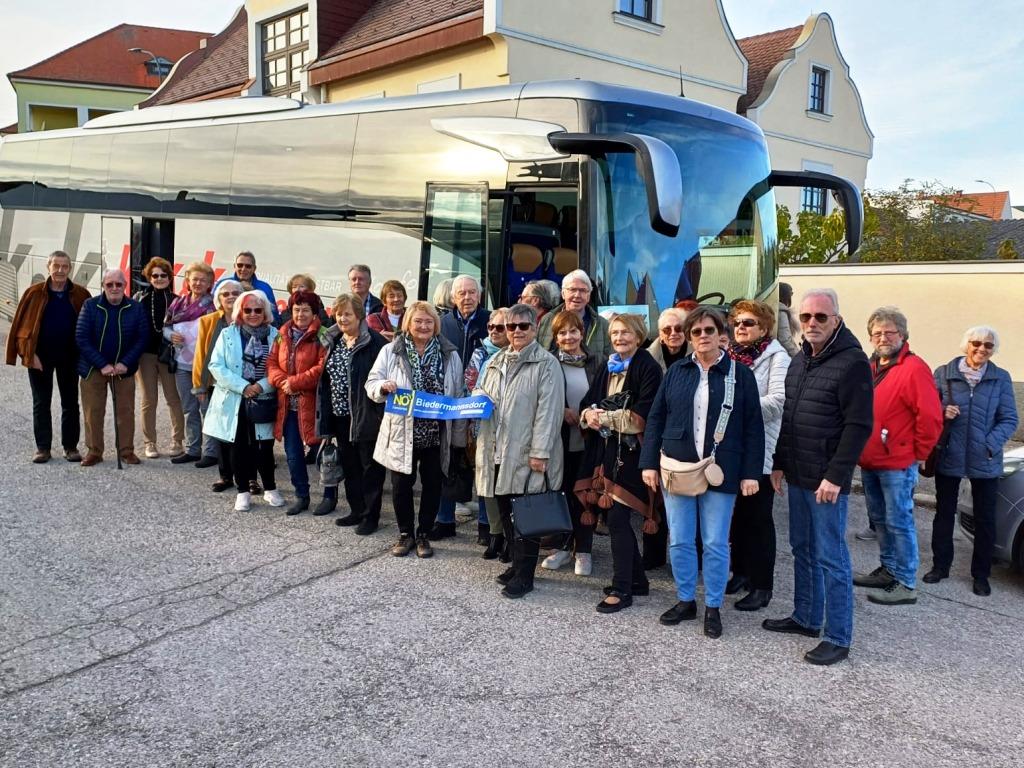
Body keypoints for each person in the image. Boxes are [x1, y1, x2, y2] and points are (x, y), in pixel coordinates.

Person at [763, 288, 873, 666]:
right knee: (802, 549)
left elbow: (859, 426)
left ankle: (838, 637)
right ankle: (806, 618)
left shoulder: (853, 362)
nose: (812, 323)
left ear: (836, 319)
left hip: (827, 482)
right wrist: (779, 462)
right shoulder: (801, 359)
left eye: (821, 317)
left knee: (831, 557)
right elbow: (790, 417)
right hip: (798, 474)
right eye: (806, 316)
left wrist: (836, 477)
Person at [641, 308, 764, 638]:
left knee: (715, 542)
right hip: (678, 467)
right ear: (689, 337)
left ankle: (713, 605)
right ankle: (685, 600)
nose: (703, 336)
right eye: (696, 332)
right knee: (680, 540)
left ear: (721, 333)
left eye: (709, 330)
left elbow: (753, 426)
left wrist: (751, 473)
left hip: (721, 470)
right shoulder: (677, 371)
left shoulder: (740, 374)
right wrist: (648, 463)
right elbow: (656, 418)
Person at [852, 308, 943, 606]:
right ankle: (888, 569)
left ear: (902, 335)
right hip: (871, 460)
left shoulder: (914, 368)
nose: (883, 338)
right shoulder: (871, 366)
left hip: (897, 462)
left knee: (899, 521)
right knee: (880, 520)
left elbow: (930, 416)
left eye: (889, 332)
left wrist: (920, 453)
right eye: (877, 333)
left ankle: (905, 581)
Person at [474, 304, 565, 598]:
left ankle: (526, 577)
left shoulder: (546, 364)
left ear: (534, 328)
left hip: (527, 452)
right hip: (497, 449)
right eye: (510, 326)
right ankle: (515, 565)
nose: (516, 331)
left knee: (527, 515)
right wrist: (477, 399)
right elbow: (481, 393)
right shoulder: (495, 361)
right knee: (505, 510)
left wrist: (540, 452)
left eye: (523, 326)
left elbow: (549, 412)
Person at [576, 314, 663, 613]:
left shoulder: (648, 367)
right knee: (615, 518)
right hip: (607, 452)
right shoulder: (608, 364)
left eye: (625, 332)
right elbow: (587, 402)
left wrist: (602, 418)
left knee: (617, 519)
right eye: (614, 333)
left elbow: (642, 418)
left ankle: (622, 588)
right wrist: (588, 414)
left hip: (633, 455)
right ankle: (637, 581)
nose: (619, 337)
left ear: (639, 336)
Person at [366, 301, 466, 559]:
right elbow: (371, 382)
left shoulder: (449, 354)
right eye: (418, 321)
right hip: (402, 432)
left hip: (435, 433)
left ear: (436, 325)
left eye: (429, 321)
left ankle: (423, 534)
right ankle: (405, 534)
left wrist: (458, 437)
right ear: (408, 324)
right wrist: (383, 387)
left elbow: (457, 394)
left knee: (432, 486)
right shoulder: (392, 350)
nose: (423, 326)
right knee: (401, 486)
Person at [925, 326, 1018, 596]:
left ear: (993, 350)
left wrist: (989, 445)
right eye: (976, 343)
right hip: (950, 453)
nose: (981, 349)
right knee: (944, 514)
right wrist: (943, 411)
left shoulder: (1000, 377)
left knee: (985, 519)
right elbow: (928, 408)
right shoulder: (944, 373)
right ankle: (940, 566)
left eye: (988, 345)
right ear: (966, 344)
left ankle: (981, 575)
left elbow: (1009, 419)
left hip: (985, 458)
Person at [724, 300, 790, 611]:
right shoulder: (729, 356)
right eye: (737, 322)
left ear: (763, 328)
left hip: (762, 448)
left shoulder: (777, 358)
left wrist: (736, 408)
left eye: (748, 323)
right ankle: (741, 572)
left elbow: (778, 402)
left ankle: (762, 585)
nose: (740, 327)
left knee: (759, 519)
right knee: (737, 515)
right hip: (733, 448)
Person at [6, 250, 90, 463]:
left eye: (65, 266)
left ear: (70, 268)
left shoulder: (80, 294)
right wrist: (29, 355)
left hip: (70, 357)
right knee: (41, 403)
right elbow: (20, 327)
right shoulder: (34, 293)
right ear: (48, 267)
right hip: (40, 357)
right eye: (56, 266)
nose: (60, 270)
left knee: (70, 403)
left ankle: (70, 447)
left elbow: (90, 326)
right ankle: (43, 448)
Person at [540, 310, 606, 577]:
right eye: (562, 333)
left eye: (573, 331)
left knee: (584, 495)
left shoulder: (597, 362)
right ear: (555, 337)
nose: (568, 337)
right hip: (559, 441)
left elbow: (605, 396)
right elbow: (540, 398)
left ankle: (584, 550)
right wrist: (562, 410)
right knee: (561, 493)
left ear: (582, 333)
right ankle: (563, 547)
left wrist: (589, 413)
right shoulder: (548, 362)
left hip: (589, 441)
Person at [203, 290, 282, 511]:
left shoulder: (276, 335)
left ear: (265, 312)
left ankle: (270, 488)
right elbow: (216, 365)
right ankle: (243, 492)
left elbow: (281, 367)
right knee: (238, 447)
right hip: (235, 397)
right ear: (240, 311)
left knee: (264, 446)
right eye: (248, 310)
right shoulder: (227, 334)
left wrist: (261, 386)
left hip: (263, 397)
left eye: (258, 310)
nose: (253, 314)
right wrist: (243, 387)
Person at [315, 294, 388, 530]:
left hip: (367, 415)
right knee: (350, 465)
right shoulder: (334, 340)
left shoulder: (375, 342)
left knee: (370, 468)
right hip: (339, 416)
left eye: (348, 314)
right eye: (339, 314)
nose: (342, 319)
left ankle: (371, 517)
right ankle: (356, 510)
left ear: (359, 316)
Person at [432, 274, 491, 539]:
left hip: (482, 403)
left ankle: (486, 525)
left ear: (479, 295)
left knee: (483, 464)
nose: (467, 297)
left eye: (472, 292)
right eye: (461, 293)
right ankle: (445, 520)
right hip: (451, 401)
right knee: (449, 461)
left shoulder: (491, 321)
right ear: (453, 297)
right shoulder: (442, 323)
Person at [75, 268, 148, 466]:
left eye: (118, 284)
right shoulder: (90, 305)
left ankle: (126, 451)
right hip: (93, 368)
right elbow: (82, 337)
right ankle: (94, 451)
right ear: (103, 286)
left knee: (125, 412)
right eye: (109, 284)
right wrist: (102, 364)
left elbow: (142, 338)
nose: (114, 288)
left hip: (124, 369)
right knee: (93, 412)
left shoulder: (136, 307)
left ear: (125, 285)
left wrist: (125, 363)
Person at [268, 291, 328, 516]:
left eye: (305, 310)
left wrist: (295, 382)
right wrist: (284, 382)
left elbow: (322, 368)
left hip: (315, 405)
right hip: (288, 406)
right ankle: (302, 495)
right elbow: (272, 363)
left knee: (324, 455)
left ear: (314, 313)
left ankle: (329, 496)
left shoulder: (323, 335)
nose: (300, 314)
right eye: (296, 309)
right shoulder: (282, 334)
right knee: (293, 455)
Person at [165, 262, 218, 467]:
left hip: (204, 368)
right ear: (187, 280)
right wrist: (171, 336)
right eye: (194, 279)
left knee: (207, 409)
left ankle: (211, 452)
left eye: (203, 280)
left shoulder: (214, 306)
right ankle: (193, 449)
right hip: (182, 365)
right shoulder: (178, 303)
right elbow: (166, 326)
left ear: (209, 283)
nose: (198, 283)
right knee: (189, 409)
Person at [194, 280, 243, 493]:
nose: (230, 296)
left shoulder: (249, 318)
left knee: (245, 435)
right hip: (217, 385)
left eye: (235, 293)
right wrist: (200, 386)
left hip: (243, 386)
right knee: (223, 433)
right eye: (225, 294)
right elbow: (201, 355)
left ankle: (249, 478)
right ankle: (225, 476)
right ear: (218, 300)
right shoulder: (208, 321)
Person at [466, 307, 509, 551]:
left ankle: (509, 535)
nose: (494, 331)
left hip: (509, 430)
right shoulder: (480, 353)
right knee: (487, 482)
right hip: (483, 427)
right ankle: (495, 533)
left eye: (500, 327)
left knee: (505, 485)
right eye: (491, 327)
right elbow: (469, 384)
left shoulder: (516, 355)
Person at [133, 257, 185, 459]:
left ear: (170, 277)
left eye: (163, 275)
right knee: (149, 400)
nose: (159, 278)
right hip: (145, 355)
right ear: (149, 278)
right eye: (155, 275)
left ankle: (177, 441)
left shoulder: (178, 301)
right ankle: (150, 443)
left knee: (173, 398)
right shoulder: (141, 299)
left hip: (169, 355)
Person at [537, 269, 612, 358]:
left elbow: (609, 359)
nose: (577, 295)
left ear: (588, 296)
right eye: (572, 290)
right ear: (563, 294)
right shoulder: (547, 319)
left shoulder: (602, 325)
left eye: (582, 290)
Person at [214, 251, 281, 324]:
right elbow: (214, 309)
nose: (243, 269)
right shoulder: (223, 284)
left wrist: (252, 293)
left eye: (248, 266)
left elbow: (274, 318)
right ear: (234, 266)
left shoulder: (265, 288)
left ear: (254, 268)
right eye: (240, 265)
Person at [647, 307, 689, 372]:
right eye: (667, 329)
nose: (673, 333)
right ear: (661, 334)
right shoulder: (647, 358)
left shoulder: (698, 354)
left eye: (678, 328)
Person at [777, 282, 801, 357]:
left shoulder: (778, 310)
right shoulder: (781, 312)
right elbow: (785, 339)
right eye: (791, 293)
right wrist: (798, 357)